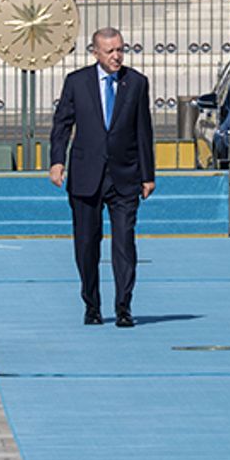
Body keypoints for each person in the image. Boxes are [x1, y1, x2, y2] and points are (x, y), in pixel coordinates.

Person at [49, 27, 155, 328]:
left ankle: (123, 306)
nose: (117, 56)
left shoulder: (136, 83)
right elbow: (62, 125)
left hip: (125, 176)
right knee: (86, 244)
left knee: (124, 243)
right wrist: (57, 161)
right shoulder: (77, 82)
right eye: (110, 51)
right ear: (95, 52)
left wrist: (148, 175)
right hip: (86, 175)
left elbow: (143, 131)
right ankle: (92, 305)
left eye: (120, 49)